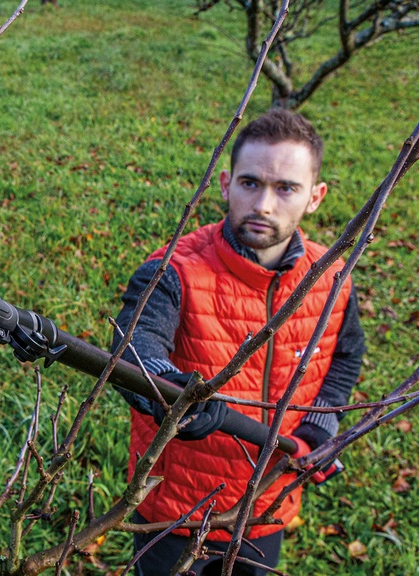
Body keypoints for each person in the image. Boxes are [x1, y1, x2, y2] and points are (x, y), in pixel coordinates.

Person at [113, 109, 366, 575]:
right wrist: (179, 396)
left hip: (266, 502)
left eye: (286, 188)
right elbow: (133, 352)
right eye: (251, 184)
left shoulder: (332, 278)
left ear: (316, 197)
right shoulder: (174, 269)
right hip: (176, 505)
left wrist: (318, 429)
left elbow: (347, 354)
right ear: (227, 184)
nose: (264, 204)